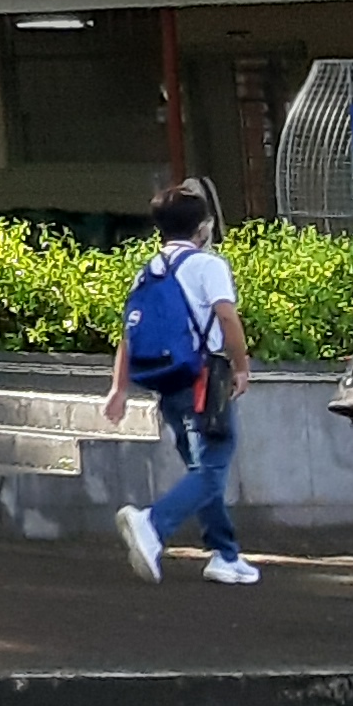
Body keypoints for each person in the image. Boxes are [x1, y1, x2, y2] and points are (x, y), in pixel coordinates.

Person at [101, 178, 259, 590]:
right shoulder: (208, 265)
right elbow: (227, 318)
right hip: (205, 380)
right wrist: (242, 367)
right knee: (212, 469)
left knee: (200, 468)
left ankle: (225, 554)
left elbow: (129, 333)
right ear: (202, 227)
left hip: (167, 385)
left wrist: (119, 388)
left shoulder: (149, 272)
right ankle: (152, 524)